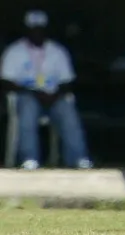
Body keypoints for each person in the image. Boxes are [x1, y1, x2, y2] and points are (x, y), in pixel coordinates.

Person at [0, 10, 92, 169]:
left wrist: (55, 94)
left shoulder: (57, 51)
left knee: (67, 109)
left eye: (40, 29)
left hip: (53, 97)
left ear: (46, 30)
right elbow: (6, 82)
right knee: (27, 107)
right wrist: (33, 92)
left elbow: (68, 81)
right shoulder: (14, 52)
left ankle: (78, 158)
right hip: (27, 96)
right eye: (33, 29)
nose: (37, 32)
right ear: (26, 30)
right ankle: (29, 158)